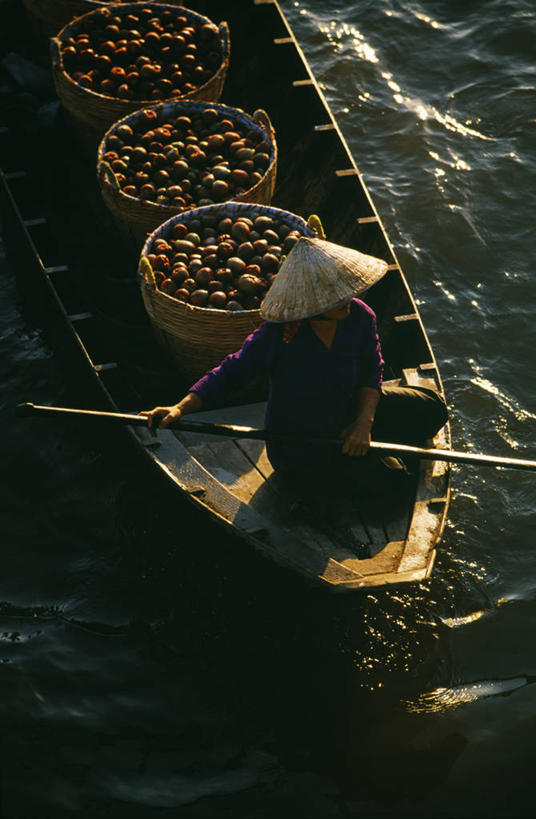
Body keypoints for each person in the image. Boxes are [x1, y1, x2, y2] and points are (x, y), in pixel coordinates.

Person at [141, 236, 448, 486]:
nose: (347, 299)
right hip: (303, 441)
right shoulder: (278, 336)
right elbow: (229, 373)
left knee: (433, 408)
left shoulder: (359, 317)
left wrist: (363, 422)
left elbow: (372, 371)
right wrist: (179, 408)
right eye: (333, 296)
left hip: (349, 408)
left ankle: (362, 440)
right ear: (313, 305)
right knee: (394, 481)